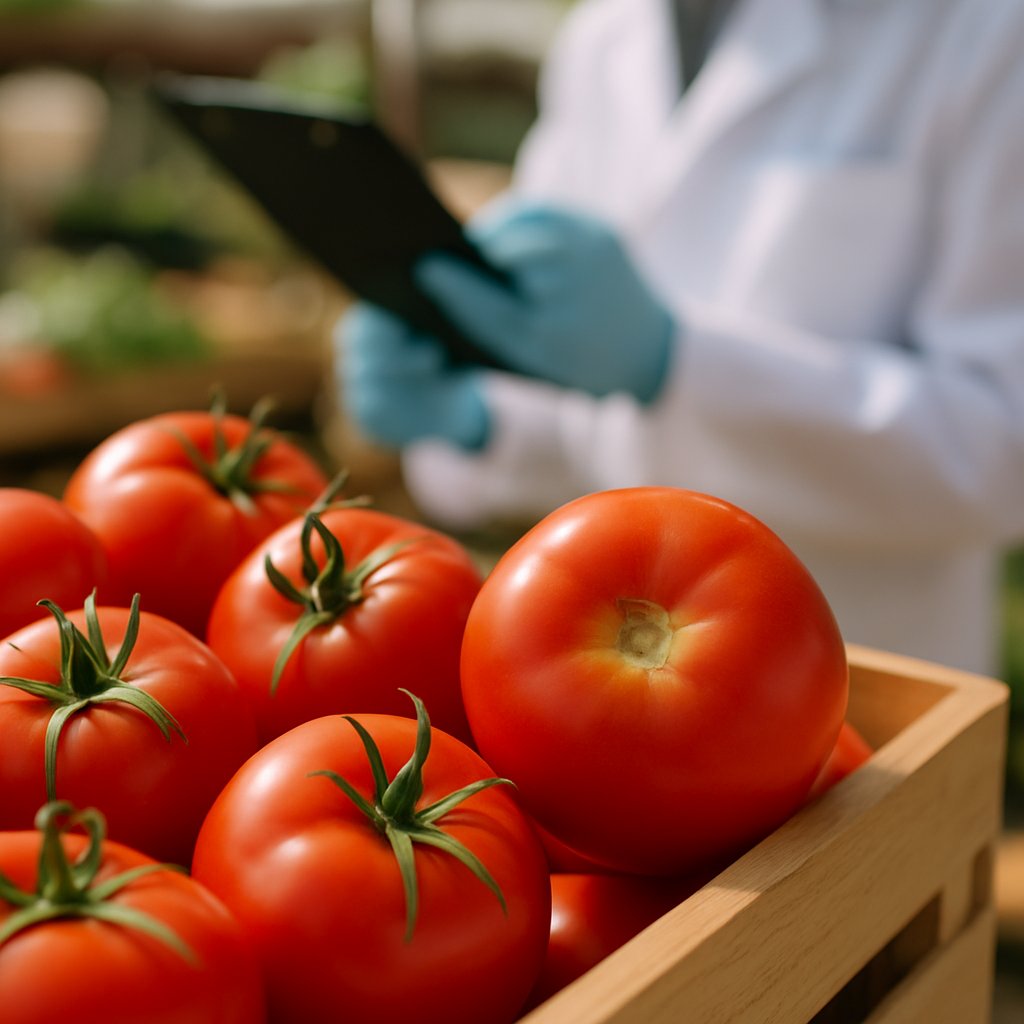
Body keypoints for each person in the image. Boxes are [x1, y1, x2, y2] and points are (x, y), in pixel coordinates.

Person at [335, 0, 1024, 676]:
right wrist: (484, 424)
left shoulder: (988, 28)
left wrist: (679, 363)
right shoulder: (605, 36)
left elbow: (1005, 448)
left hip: (862, 676)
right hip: (609, 672)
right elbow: (598, 424)